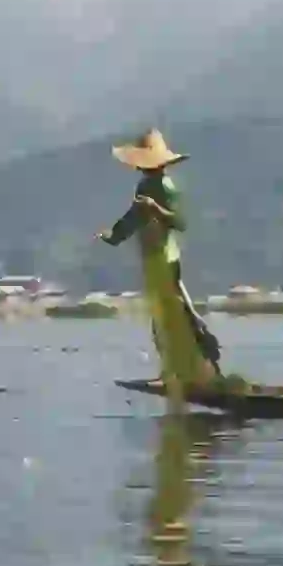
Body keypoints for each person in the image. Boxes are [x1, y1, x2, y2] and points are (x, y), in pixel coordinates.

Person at [96, 128, 223, 387]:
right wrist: (114, 236)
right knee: (165, 319)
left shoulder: (166, 187)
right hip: (153, 258)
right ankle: (178, 372)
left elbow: (179, 222)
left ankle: (197, 371)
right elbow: (134, 217)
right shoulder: (145, 186)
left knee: (175, 318)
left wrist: (155, 208)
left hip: (166, 259)